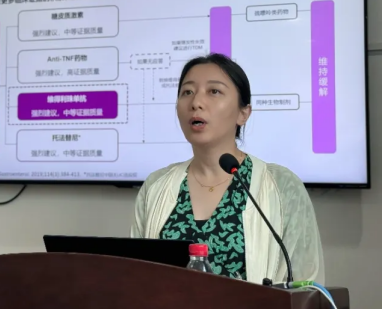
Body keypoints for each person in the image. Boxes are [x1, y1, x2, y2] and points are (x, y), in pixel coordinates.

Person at [130, 53, 324, 284]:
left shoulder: (282, 186)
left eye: (214, 91)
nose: (196, 102)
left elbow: (305, 285)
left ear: (243, 113)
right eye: (187, 92)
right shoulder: (156, 186)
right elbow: (136, 277)